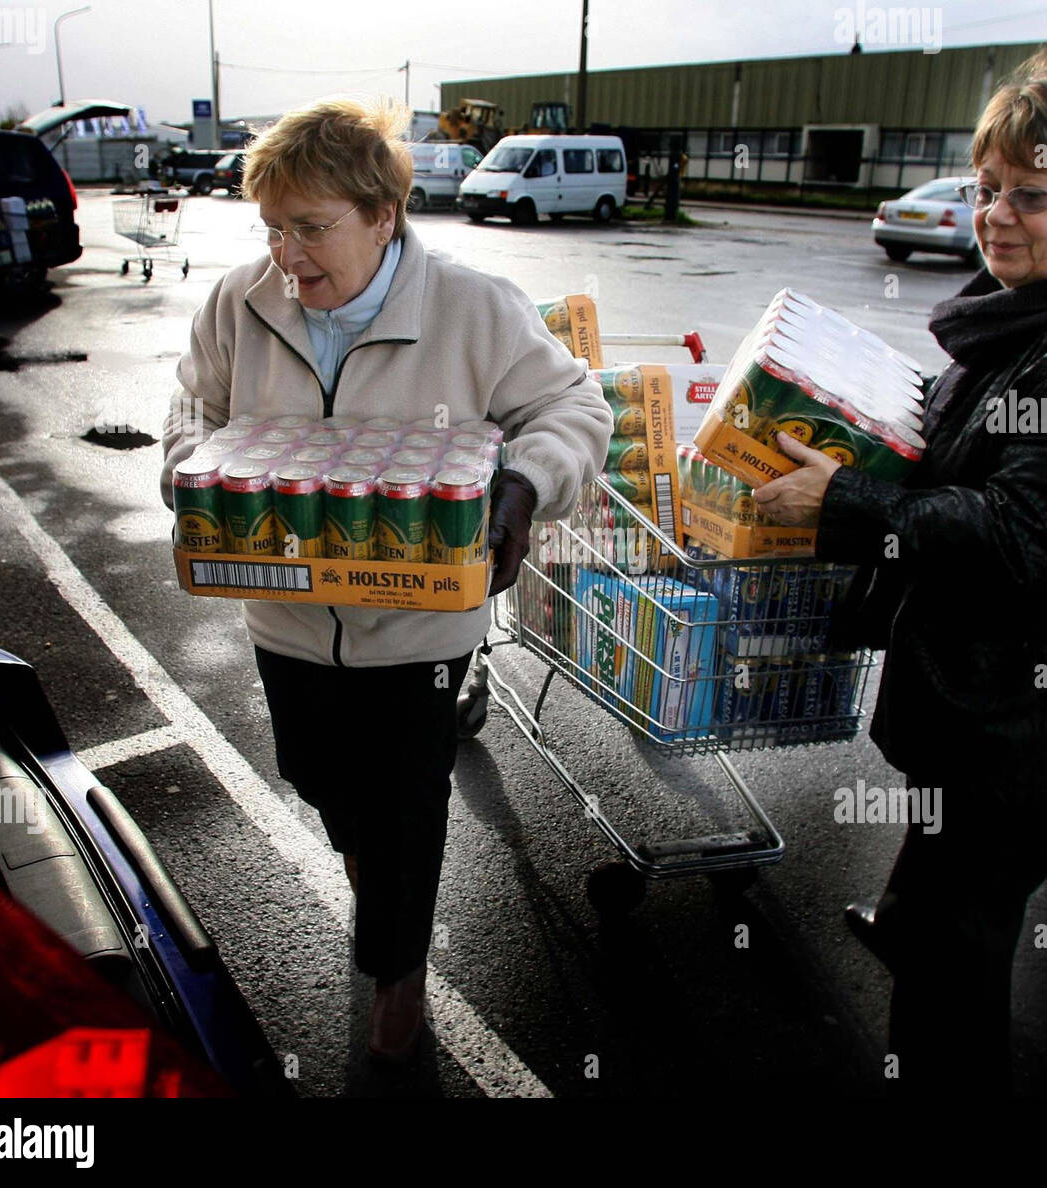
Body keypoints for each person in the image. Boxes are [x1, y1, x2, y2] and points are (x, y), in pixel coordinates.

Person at [752, 50, 1047, 1093]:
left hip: (1038, 718)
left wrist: (844, 499)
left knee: (961, 947)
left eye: (1031, 195)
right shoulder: (1033, 316)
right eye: (987, 188)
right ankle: (909, 919)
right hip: (1002, 692)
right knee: (944, 849)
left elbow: (1015, 535)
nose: (996, 215)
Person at [160, 97, 612, 1062]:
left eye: (312, 227)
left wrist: (527, 487)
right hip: (283, 620)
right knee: (318, 779)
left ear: (383, 214)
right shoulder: (239, 302)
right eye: (274, 228)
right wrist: (186, 467)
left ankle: (399, 970)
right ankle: (374, 878)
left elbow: (573, 402)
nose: (288, 254)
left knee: (408, 803)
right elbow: (195, 400)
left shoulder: (473, 307)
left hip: (421, 633)